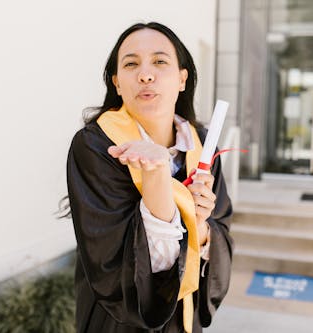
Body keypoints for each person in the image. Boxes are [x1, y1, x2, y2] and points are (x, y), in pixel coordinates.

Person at [66, 22, 234, 333]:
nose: (145, 74)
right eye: (131, 64)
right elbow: (122, 268)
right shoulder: (98, 145)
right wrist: (156, 175)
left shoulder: (202, 144)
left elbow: (221, 230)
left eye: (160, 61)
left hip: (185, 321)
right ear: (117, 83)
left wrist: (203, 230)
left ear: (182, 79)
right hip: (117, 322)